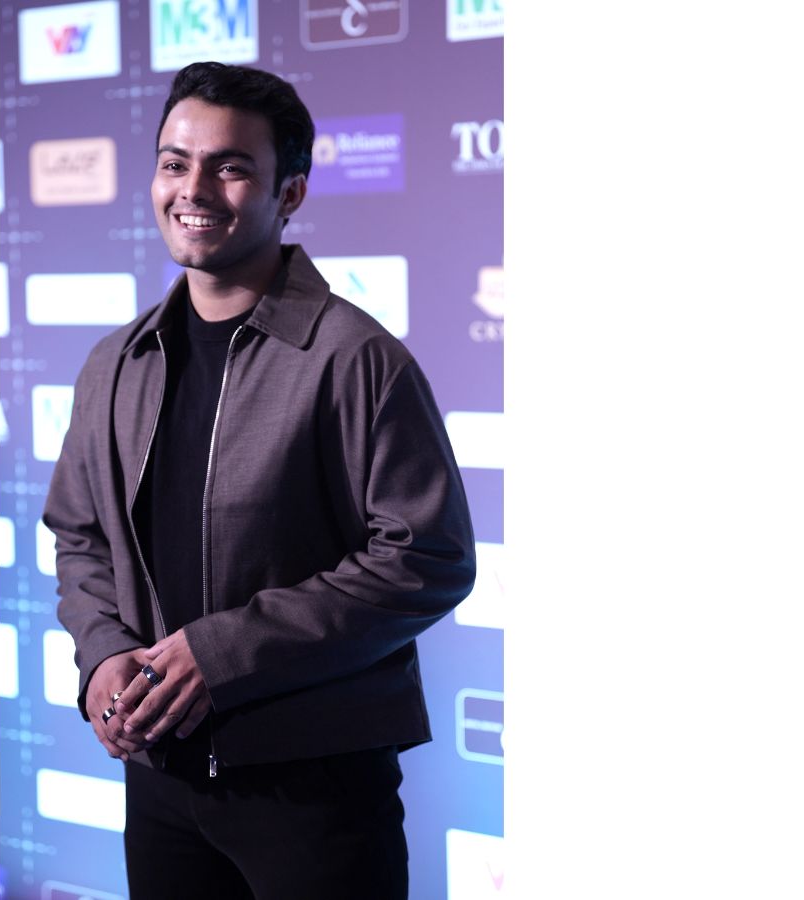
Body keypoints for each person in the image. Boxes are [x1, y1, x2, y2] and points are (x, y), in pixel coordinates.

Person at [43, 61, 476, 900]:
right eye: (175, 163)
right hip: (160, 779)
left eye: (230, 167)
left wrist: (219, 656)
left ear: (290, 193)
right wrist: (102, 657)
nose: (193, 189)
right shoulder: (115, 362)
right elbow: (80, 535)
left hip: (316, 788)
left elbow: (427, 556)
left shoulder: (356, 358)